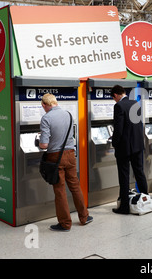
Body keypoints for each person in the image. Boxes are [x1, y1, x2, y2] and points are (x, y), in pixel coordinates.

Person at [39, 93, 92, 231]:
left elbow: (44, 144)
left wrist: (38, 141)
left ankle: (65, 223)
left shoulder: (46, 118)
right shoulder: (68, 114)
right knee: (75, 186)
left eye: (43, 106)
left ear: (45, 104)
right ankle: (84, 217)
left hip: (55, 157)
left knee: (60, 190)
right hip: (70, 154)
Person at [111, 85, 148, 214]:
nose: (114, 101)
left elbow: (119, 128)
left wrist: (114, 143)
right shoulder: (135, 103)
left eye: (113, 98)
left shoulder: (119, 106)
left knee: (124, 175)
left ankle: (124, 207)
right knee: (139, 172)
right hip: (137, 144)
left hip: (125, 147)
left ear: (116, 95)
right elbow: (136, 125)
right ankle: (146, 200)